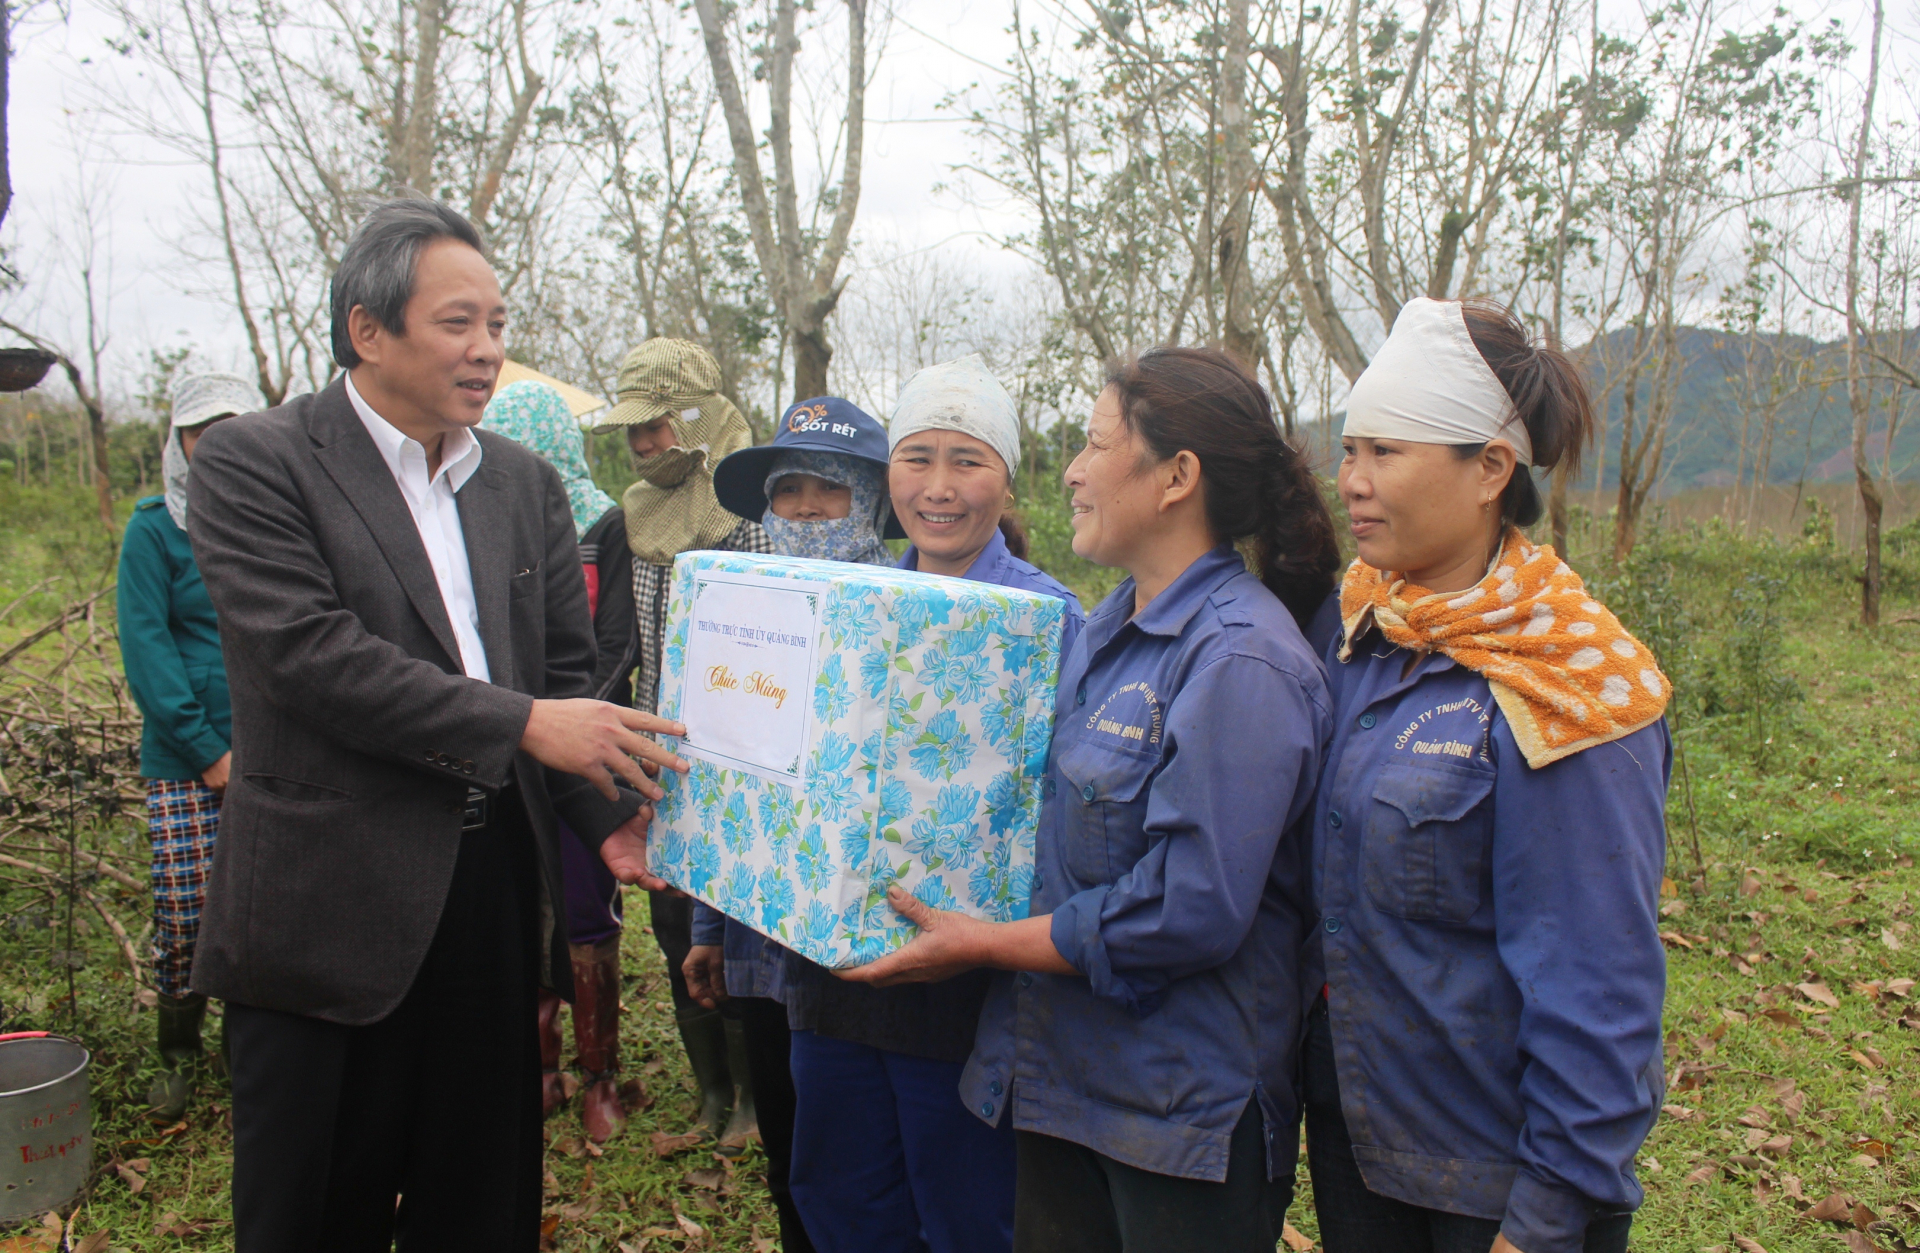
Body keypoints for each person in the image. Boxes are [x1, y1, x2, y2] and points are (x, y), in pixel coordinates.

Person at [185, 197, 686, 1252]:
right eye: (460, 323)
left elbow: (562, 677)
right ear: (369, 330)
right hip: (326, 910)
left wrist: (609, 822)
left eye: (498, 324)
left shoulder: (521, 482)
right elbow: (312, 659)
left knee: (481, 1201)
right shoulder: (257, 464)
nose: (488, 350)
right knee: (315, 1210)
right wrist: (522, 725)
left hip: (488, 902)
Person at [845, 347, 1342, 1253]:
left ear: (1176, 478)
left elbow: (1188, 907)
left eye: (1093, 443)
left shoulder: (1238, 660)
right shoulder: (1109, 626)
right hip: (1063, 1081)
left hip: (1174, 1116)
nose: (1071, 471)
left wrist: (986, 943)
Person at [1303, 297, 1670, 1253]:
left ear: (1490, 470)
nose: (1354, 481)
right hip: (1367, 1145)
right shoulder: (1364, 632)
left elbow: (1600, 981)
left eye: (1388, 452)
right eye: (1351, 450)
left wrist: (1545, 1215)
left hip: (1496, 1186)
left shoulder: (1571, 681)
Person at [773, 357, 1086, 1253]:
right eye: (916, 459)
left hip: (971, 982)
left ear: (1008, 477)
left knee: (964, 1210)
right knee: (841, 1198)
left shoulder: (1053, 621)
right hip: (832, 972)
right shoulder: (846, 600)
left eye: (968, 460)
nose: (939, 488)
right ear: (886, 476)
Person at [681, 393, 909, 1253]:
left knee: (868, 1160)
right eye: (789, 490)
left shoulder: (913, 607)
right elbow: (721, 777)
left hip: (868, 947)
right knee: (792, 1156)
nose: (807, 508)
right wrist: (708, 924)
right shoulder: (738, 615)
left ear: (873, 500)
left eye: (831, 488)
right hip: (761, 941)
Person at [590, 338, 774, 1144]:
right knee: (676, 923)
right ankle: (711, 1090)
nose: (642, 446)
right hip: (663, 754)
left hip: (747, 752)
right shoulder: (627, 517)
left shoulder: (758, 510)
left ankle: (758, 1097)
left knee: (740, 920)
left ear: (696, 417)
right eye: (632, 432)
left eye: (657, 427)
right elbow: (614, 647)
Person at [480, 377, 633, 1143]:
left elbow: (613, 643)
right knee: (522, 905)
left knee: (585, 906)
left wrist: (575, 728)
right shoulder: (479, 521)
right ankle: (540, 1064)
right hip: (509, 748)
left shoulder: (605, 521)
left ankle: (599, 1072)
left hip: (582, 755)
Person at [116, 368, 262, 1121]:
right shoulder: (153, 532)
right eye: (203, 432)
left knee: (258, 906)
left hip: (270, 749)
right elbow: (148, 653)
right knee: (188, 905)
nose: (217, 445)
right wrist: (208, 752)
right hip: (187, 757)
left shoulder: (267, 519)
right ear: (180, 442)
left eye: (231, 429)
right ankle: (177, 1048)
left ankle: (251, 1049)